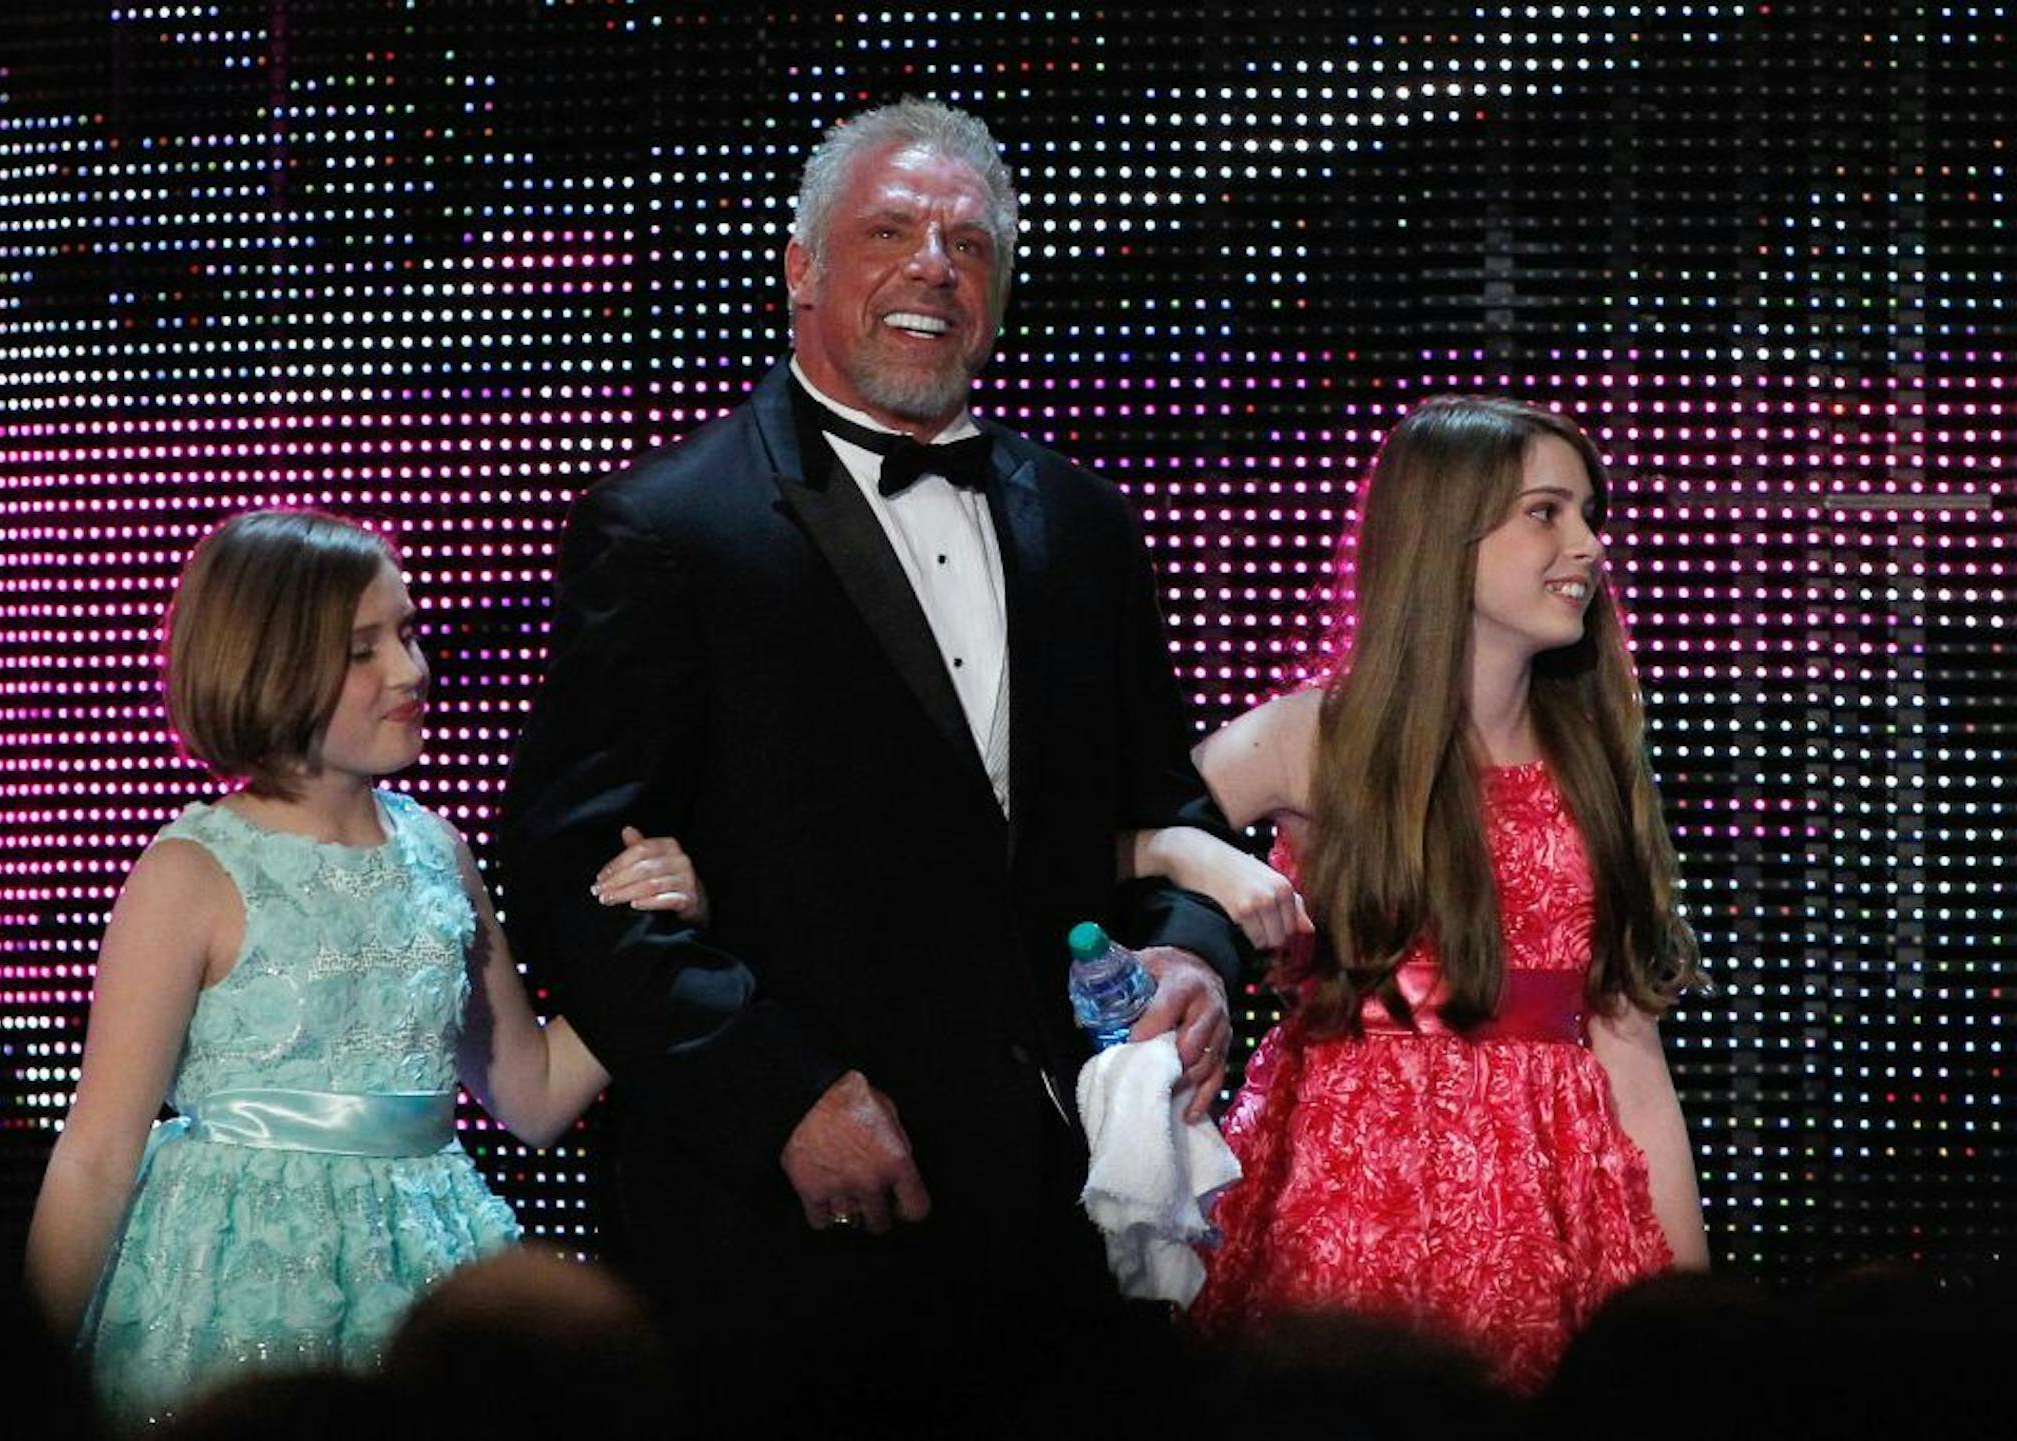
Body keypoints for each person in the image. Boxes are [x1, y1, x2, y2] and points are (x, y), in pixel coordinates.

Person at [497, 98, 1247, 1428]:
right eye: (891, 232)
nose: (933, 267)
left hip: (1063, 1242)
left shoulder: (1083, 523)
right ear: (800, 266)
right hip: (795, 1236)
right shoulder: (668, 528)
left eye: (969, 244)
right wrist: (781, 1097)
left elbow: (1165, 810)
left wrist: (1193, 952)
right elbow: (569, 872)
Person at [1150, 396, 1708, 1392]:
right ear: (1446, 533)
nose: (1586, 544)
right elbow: (1127, 835)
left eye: (1590, 514)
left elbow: (1631, 1050)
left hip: (1559, 1202)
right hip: (1357, 1189)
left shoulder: (1595, 760)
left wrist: (1695, 1323)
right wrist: (1219, 866)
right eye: (1546, 511)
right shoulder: (1313, 735)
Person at [24, 510, 612, 1421]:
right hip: (234, 1282)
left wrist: (655, 947)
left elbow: (530, 1095)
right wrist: (18, 1378)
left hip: (427, 1270)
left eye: (409, 634)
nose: (412, 672)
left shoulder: (435, 850)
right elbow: (97, 1154)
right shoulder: (190, 872)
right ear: (270, 665)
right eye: (362, 650)